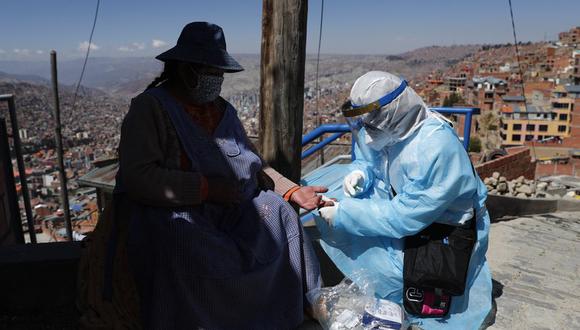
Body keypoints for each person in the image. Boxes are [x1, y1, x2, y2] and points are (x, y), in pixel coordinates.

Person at [78, 22, 326, 329]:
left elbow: (253, 163)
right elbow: (139, 177)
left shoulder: (223, 110)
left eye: (218, 73)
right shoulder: (150, 109)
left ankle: (303, 304)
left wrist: (290, 191)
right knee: (184, 239)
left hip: (233, 209)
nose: (215, 80)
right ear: (184, 68)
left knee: (280, 214)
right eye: (208, 71)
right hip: (174, 212)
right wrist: (206, 189)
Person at [315, 71, 493, 329]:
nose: (367, 128)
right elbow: (371, 159)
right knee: (338, 198)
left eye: (372, 119)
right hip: (407, 209)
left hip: (443, 227)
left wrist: (346, 215)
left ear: (392, 111)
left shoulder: (436, 146)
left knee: (394, 272)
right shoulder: (390, 128)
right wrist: (360, 173)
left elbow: (405, 216)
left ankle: (396, 291)